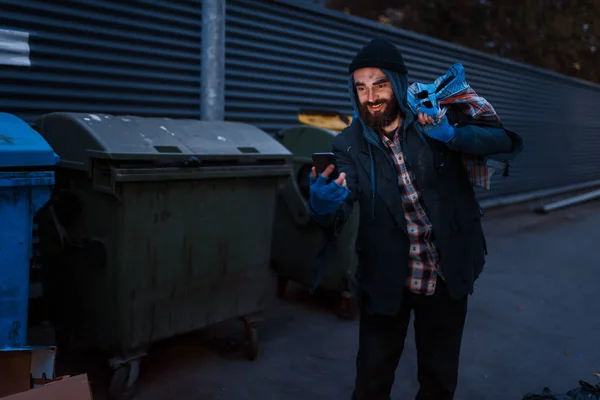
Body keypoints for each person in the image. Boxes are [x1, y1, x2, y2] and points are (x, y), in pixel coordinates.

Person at [308, 38, 523, 400]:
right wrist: (324, 205)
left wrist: (454, 135)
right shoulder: (348, 143)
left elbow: (506, 142)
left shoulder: (434, 115)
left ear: (397, 81)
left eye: (379, 84)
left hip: (446, 273)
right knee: (371, 383)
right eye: (361, 87)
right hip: (385, 277)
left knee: (439, 382)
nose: (370, 96)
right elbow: (344, 199)